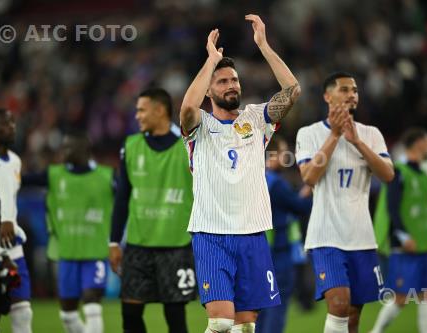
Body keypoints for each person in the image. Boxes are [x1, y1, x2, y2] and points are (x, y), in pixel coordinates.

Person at [180, 14, 301, 333]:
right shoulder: (200, 126)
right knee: (220, 322)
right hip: (211, 234)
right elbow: (187, 109)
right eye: (222, 81)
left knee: (246, 327)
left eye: (234, 80)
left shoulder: (256, 119)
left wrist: (263, 45)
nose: (231, 85)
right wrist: (212, 61)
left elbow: (292, 90)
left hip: (252, 234)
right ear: (209, 90)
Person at [295, 72, 394, 333]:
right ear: (328, 96)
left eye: (355, 90)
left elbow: (387, 175)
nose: (352, 94)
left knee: (352, 316)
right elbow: (309, 177)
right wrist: (335, 136)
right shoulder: (309, 133)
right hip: (326, 237)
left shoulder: (371, 134)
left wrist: (357, 142)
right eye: (344, 89)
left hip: (361, 237)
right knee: (339, 304)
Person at [109, 88, 195, 333]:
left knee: (175, 316)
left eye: (141, 110)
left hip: (177, 245)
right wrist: (114, 241)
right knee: (130, 313)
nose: (137, 116)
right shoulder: (131, 145)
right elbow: (122, 197)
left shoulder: (188, 145)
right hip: (138, 244)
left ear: (160, 110)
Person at [22, 131, 114, 333]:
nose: (64, 152)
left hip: (95, 252)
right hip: (66, 254)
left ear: (84, 150)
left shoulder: (106, 176)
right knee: (68, 315)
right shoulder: (53, 174)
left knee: (92, 304)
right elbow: (20, 181)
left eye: (68, 148)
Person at [371, 128, 427, 333]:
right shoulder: (398, 172)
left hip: (426, 244)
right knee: (401, 297)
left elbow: (426, 211)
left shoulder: (424, 175)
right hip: (405, 246)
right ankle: (375, 331)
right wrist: (403, 236)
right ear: (419, 143)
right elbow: (392, 208)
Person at [0, 108, 33, 333]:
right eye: (5, 123)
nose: (12, 127)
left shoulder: (15, 161)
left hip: (12, 246)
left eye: (13, 122)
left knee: (23, 309)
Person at [256, 135, 312, 333]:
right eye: (281, 152)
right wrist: (312, 189)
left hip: (258, 252)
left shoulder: (256, 178)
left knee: (259, 308)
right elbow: (299, 207)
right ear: (271, 155)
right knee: (277, 308)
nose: (285, 156)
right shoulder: (277, 183)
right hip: (279, 254)